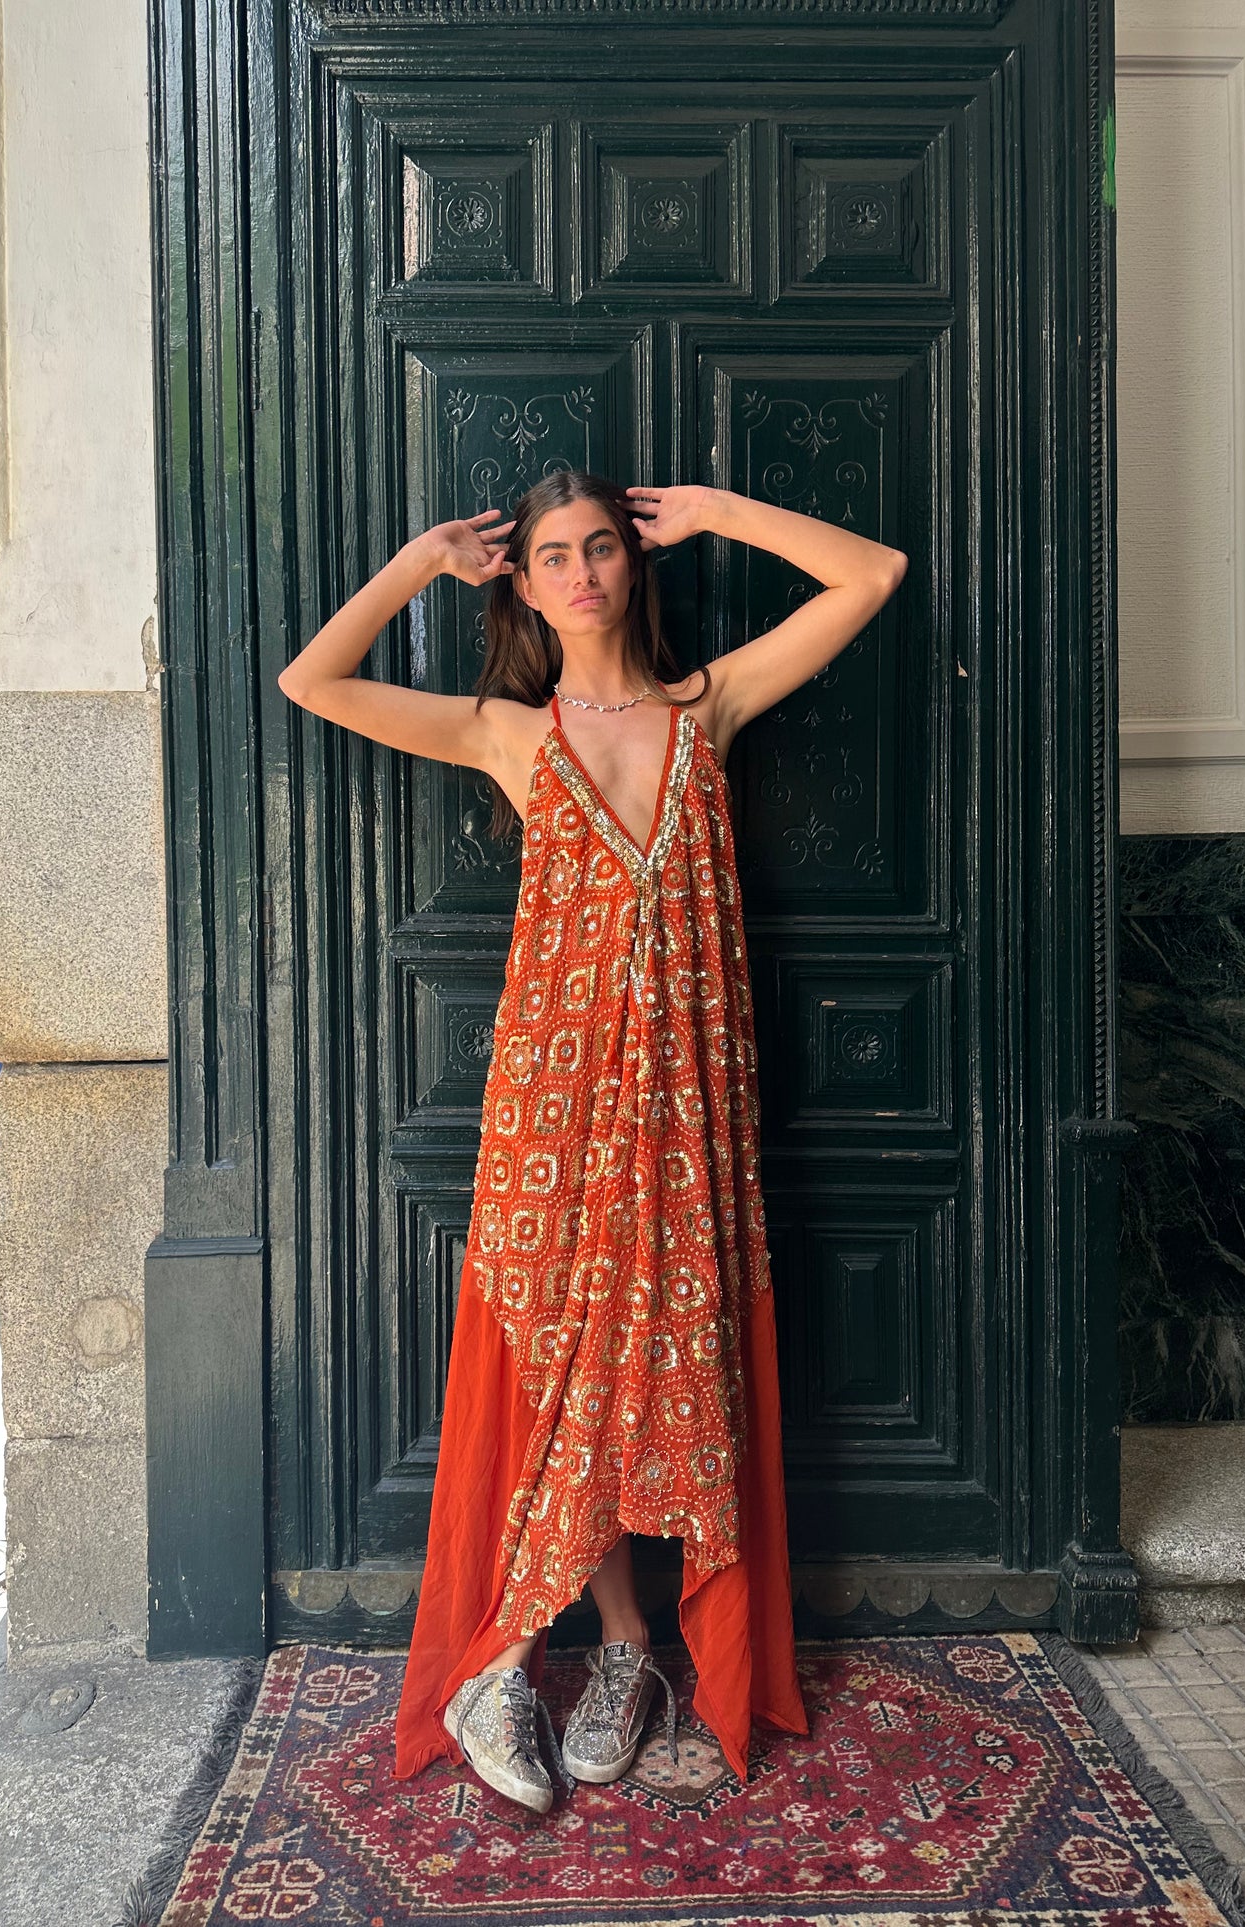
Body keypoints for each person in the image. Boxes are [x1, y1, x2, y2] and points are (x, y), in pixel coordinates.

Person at [277, 472, 907, 1814]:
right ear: (523, 582)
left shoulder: (707, 706)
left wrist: (728, 512)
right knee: (568, 1361)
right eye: (551, 555)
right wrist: (416, 561)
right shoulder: (511, 731)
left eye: (601, 548)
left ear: (632, 562)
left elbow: (871, 575)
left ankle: (608, 1657)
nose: (577, 572)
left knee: (652, 1362)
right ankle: (537, 1652)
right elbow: (313, 681)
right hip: (550, 1110)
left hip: (687, 1100)